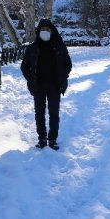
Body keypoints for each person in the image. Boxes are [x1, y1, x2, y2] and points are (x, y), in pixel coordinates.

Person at [21, 18, 72, 150]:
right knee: (39, 113)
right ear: (39, 31)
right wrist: (30, 80)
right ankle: (42, 138)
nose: (45, 32)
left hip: (55, 86)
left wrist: (63, 76)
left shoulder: (59, 46)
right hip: (38, 86)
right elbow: (24, 66)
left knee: (54, 113)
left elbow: (68, 64)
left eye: (47, 29)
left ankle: (53, 138)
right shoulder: (32, 48)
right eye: (43, 29)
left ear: (52, 31)